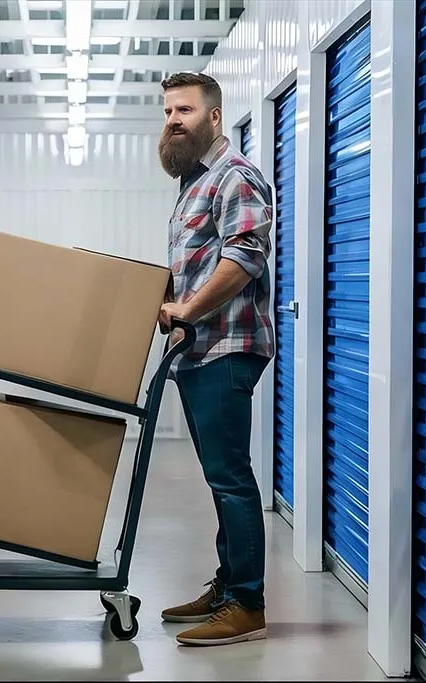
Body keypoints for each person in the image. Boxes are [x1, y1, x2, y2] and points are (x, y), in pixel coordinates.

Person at [154, 71, 274, 647]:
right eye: (169, 112)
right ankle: (228, 585)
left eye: (184, 110)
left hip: (227, 347)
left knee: (230, 479)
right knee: (219, 477)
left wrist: (188, 311)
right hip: (199, 351)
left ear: (215, 116)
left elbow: (245, 257)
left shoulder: (235, 177)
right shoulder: (194, 185)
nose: (173, 120)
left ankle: (247, 603)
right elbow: (195, 267)